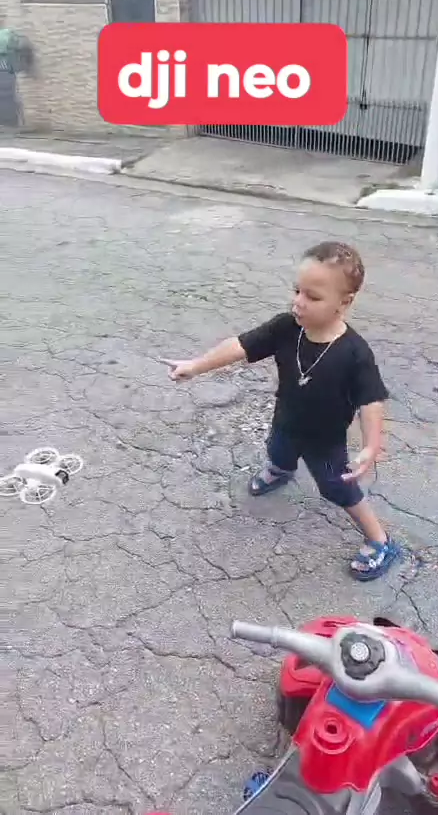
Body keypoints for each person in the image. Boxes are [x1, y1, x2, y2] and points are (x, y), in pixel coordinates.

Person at [166, 241, 399, 581]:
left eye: (313, 297)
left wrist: (371, 445)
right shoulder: (286, 328)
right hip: (286, 421)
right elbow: (241, 345)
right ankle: (281, 471)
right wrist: (196, 365)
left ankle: (380, 541)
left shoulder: (354, 353)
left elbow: (371, 401)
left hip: (324, 441)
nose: (298, 302)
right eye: (297, 290)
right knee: (278, 451)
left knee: (336, 487)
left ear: (345, 302)